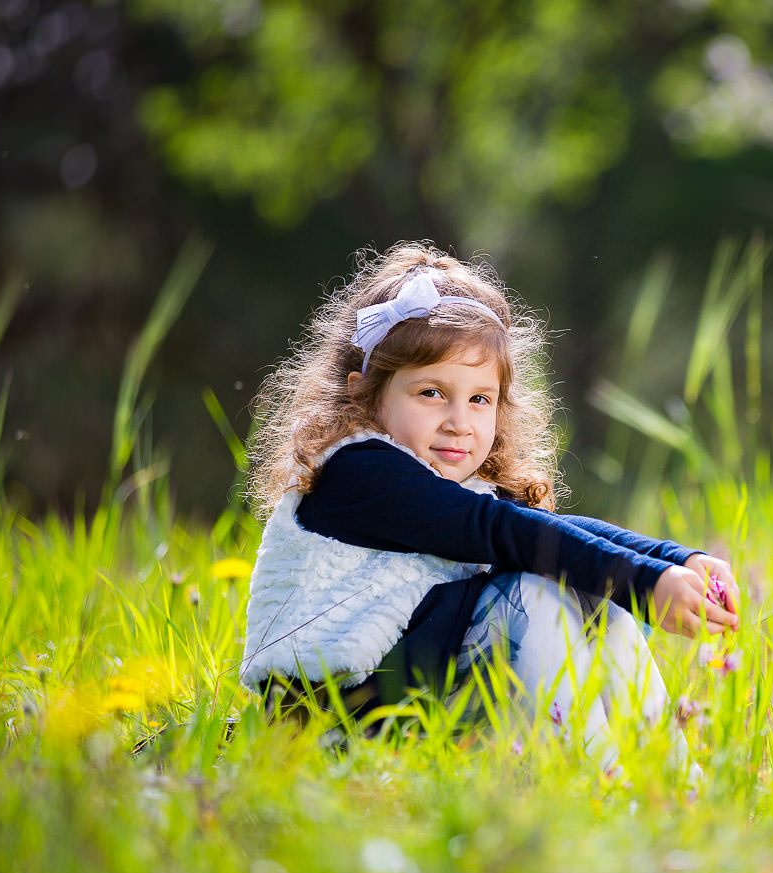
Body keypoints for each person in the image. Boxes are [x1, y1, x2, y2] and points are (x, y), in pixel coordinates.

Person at [238, 241, 740, 775]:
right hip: (332, 724)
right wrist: (645, 582)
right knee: (535, 590)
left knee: (594, 590)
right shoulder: (358, 471)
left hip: (417, 702)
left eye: (480, 399)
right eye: (431, 392)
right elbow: (503, 530)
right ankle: (591, 786)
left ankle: (672, 793)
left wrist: (670, 561)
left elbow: (552, 528)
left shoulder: (462, 488)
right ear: (365, 396)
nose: (460, 420)